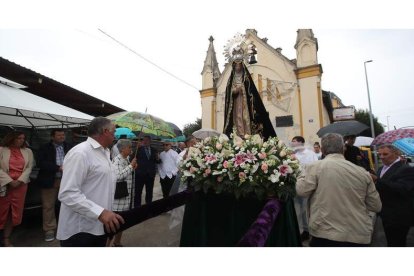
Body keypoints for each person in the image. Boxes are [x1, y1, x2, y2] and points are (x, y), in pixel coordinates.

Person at [296, 133, 382, 246]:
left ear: (322, 149)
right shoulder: (363, 173)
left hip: (325, 234)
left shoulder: (314, 167)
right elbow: (376, 206)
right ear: (343, 148)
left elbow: (301, 190)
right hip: (358, 233)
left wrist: (300, 173)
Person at [56, 117, 124, 247]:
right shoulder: (80, 153)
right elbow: (67, 193)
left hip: (99, 227)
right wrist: (100, 212)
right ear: (105, 131)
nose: (115, 136)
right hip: (80, 230)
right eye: (114, 132)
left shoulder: (105, 152)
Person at [371, 144, 414, 246]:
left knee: (397, 243)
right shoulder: (381, 168)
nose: (381, 157)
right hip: (386, 213)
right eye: (379, 154)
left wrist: (377, 180)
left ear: (396, 154)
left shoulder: (406, 169)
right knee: (391, 242)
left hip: (399, 216)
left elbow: (402, 189)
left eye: (385, 154)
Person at [223, 58, 276, 140]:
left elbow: (251, 91)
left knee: (245, 117)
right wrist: (235, 91)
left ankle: (246, 134)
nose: (237, 67)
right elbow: (228, 93)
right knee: (237, 117)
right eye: (236, 66)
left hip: (246, 103)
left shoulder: (246, 78)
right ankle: (239, 134)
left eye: (239, 65)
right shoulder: (231, 80)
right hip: (236, 102)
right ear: (234, 67)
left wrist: (243, 89)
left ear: (242, 66)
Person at [36, 128, 72, 242]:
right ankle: (49, 229)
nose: (62, 137)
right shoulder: (44, 148)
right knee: (48, 206)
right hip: (49, 179)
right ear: (52, 137)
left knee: (68, 203)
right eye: (59, 135)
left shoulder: (69, 147)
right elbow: (40, 163)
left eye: (63, 135)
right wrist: (58, 167)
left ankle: (67, 226)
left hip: (66, 180)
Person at [0, 131, 34, 247]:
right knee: (2, 210)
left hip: (20, 185)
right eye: (18, 138)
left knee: (12, 213)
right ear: (11, 138)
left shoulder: (28, 151)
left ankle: (6, 239)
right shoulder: (1, 149)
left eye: (23, 138)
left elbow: (29, 167)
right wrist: (9, 181)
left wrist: (19, 180)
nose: (21, 140)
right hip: (4, 184)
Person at [290, 136, 318, 242]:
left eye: (294, 142)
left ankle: (309, 231)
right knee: (297, 209)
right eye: (292, 142)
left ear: (301, 143)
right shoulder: (293, 155)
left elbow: (315, 168)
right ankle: (300, 231)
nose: (292, 144)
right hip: (296, 185)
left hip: (308, 185)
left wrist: (298, 162)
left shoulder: (310, 154)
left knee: (307, 209)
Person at [111, 139, 137, 247]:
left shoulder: (126, 159)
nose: (131, 149)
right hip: (119, 198)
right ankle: (107, 244)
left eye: (131, 147)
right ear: (122, 149)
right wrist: (131, 166)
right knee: (114, 225)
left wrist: (132, 167)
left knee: (122, 222)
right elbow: (118, 176)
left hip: (126, 196)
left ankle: (117, 242)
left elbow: (127, 173)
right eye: (129, 147)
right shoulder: (117, 160)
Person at [134, 135, 160, 207]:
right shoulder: (138, 149)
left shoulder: (154, 150)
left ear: (150, 141)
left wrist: (158, 159)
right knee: (138, 192)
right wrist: (136, 149)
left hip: (150, 175)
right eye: (144, 140)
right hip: (140, 175)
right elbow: (133, 158)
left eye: (147, 140)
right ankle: (137, 208)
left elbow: (157, 161)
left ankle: (148, 207)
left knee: (149, 192)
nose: (145, 141)